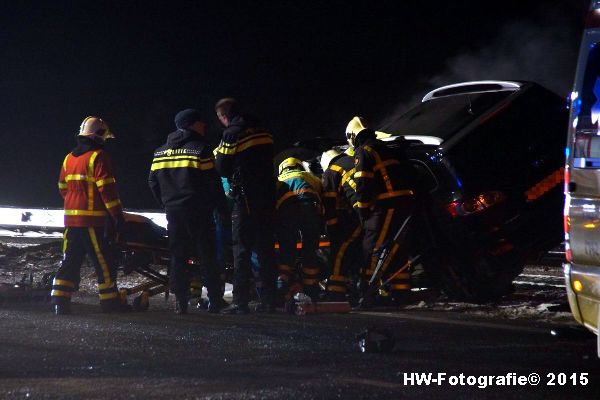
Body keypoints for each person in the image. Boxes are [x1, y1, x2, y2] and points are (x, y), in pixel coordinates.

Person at [148, 108, 228, 314]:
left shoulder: (159, 152)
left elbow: (152, 183)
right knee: (207, 256)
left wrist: (166, 203)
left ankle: (180, 302)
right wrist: (221, 209)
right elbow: (213, 183)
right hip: (199, 211)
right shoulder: (200, 149)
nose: (204, 126)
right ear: (192, 124)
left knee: (178, 257)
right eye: (201, 123)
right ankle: (215, 301)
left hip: (174, 212)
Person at [52, 116, 126, 315]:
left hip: (71, 220)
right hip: (93, 221)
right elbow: (107, 189)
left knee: (70, 260)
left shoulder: (69, 158)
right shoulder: (98, 157)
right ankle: (110, 302)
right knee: (103, 260)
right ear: (100, 135)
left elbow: (62, 187)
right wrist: (117, 215)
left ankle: (60, 300)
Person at [214, 97, 277, 314]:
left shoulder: (231, 134)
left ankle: (240, 302)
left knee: (241, 249)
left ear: (224, 116)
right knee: (266, 248)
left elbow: (221, 167)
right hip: (268, 196)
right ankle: (269, 300)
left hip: (246, 198)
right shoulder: (263, 130)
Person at [346, 116, 415, 306]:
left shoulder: (363, 151)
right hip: (406, 201)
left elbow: (363, 183)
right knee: (397, 248)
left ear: (353, 136)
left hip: (388, 204)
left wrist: (363, 210)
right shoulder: (386, 148)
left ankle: (368, 292)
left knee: (373, 246)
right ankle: (401, 293)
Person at [275, 157, 323, 302]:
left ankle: (280, 286)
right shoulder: (309, 177)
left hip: (286, 211)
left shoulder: (280, 178)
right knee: (310, 249)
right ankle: (311, 290)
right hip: (308, 208)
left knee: (287, 249)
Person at [320, 148, 363, 302]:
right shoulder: (353, 162)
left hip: (360, 213)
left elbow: (329, 205)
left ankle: (335, 292)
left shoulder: (332, 171)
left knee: (340, 251)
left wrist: (332, 229)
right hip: (372, 210)